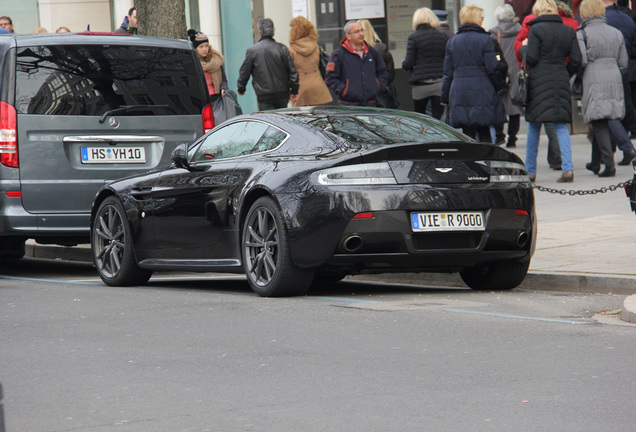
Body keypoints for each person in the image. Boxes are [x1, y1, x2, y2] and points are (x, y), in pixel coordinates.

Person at [520, 0, 582, 183]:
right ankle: (567, 169)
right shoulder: (568, 31)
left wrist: (523, 48)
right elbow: (576, 60)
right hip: (560, 78)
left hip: (539, 80)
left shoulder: (536, 30)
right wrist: (565, 72)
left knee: (534, 126)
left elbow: (531, 57)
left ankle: (530, 171)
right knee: (561, 126)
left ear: (537, 12)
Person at [578, 0, 628, 177]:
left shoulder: (582, 34)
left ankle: (609, 164)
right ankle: (595, 162)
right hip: (614, 75)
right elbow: (623, 62)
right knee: (607, 117)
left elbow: (582, 60)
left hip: (593, 76)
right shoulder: (616, 33)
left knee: (598, 121)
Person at [441, 4, 506, 141]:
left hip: (459, 91)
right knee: (484, 130)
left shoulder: (452, 42)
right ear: (476, 19)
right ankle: (487, 161)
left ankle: (470, 162)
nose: (482, 20)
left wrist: (445, 97)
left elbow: (448, 73)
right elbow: (492, 68)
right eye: (481, 17)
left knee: (467, 132)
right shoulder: (486, 40)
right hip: (482, 89)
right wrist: (500, 86)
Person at [237, 18, 299, 111]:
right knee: (282, 120)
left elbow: (245, 71)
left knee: (268, 120)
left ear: (260, 32)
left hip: (264, 94)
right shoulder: (283, 48)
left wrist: (241, 88)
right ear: (273, 31)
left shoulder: (253, 51)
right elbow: (292, 71)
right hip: (282, 93)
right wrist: (294, 90)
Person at [602, 0, 636, 165]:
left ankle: (620, 149)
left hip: (605, 73)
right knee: (623, 108)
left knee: (607, 113)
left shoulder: (602, 21)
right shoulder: (628, 18)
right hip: (625, 70)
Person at [324, 20, 388, 106]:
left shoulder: (372, 52)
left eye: (362, 30)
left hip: (370, 104)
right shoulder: (339, 54)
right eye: (356, 32)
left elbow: (383, 72)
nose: (361, 34)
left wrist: (377, 87)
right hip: (348, 105)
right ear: (348, 36)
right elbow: (330, 78)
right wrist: (344, 91)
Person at [402, 7, 448, 119]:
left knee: (421, 119)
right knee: (438, 119)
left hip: (421, 85)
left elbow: (409, 63)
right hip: (439, 83)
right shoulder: (442, 36)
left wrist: (404, 64)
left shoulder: (414, 37)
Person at [489, 4, 524, 147]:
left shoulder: (493, 33)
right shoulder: (521, 30)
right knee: (514, 106)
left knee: (499, 105)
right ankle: (512, 138)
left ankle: (499, 135)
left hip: (501, 72)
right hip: (516, 72)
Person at [288, 16, 333, 107]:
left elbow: (289, 72)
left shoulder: (291, 50)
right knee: (319, 118)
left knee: (300, 118)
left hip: (300, 88)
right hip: (318, 86)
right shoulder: (316, 47)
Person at [188, 29, 228, 101]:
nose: (204, 49)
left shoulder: (216, 60)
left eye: (206, 46)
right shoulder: (193, 63)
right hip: (201, 99)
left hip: (217, 97)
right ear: (195, 48)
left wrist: (223, 88)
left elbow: (223, 78)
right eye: (201, 47)